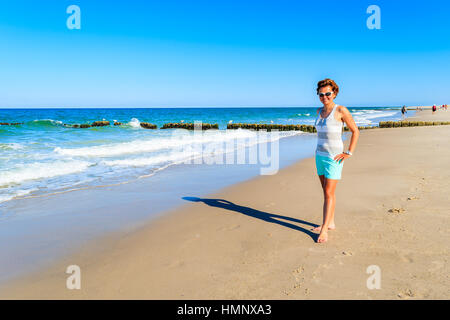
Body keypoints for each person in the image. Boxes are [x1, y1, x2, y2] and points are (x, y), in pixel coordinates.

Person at [313, 78, 360, 243]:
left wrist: (348, 152)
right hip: (319, 156)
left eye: (327, 94)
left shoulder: (341, 110)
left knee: (328, 193)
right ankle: (330, 222)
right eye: (321, 94)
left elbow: (355, 131)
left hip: (334, 158)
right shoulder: (318, 111)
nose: (324, 97)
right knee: (326, 192)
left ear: (334, 93)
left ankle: (324, 229)